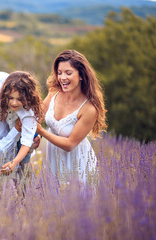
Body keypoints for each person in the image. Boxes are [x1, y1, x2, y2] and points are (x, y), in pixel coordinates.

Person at [36, 50, 107, 183]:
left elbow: (70, 144)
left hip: (77, 163)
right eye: (59, 73)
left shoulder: (89, 109)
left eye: (68, 73)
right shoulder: (54, 92)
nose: (62, 78)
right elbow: (38, 115)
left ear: (81, 75)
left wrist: (41, 131)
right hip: (54, 160)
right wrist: (36, 136)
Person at [0, 71, 43, 175]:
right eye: (11, 98)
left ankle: (28, 186)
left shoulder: (28, 114)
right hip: (15, 131)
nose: (14, 103)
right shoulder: (4, 100)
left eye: (19, 99)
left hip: (28, 135)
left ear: (29, 97)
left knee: (24, 164)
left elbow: (26, 143)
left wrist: (14, 162)